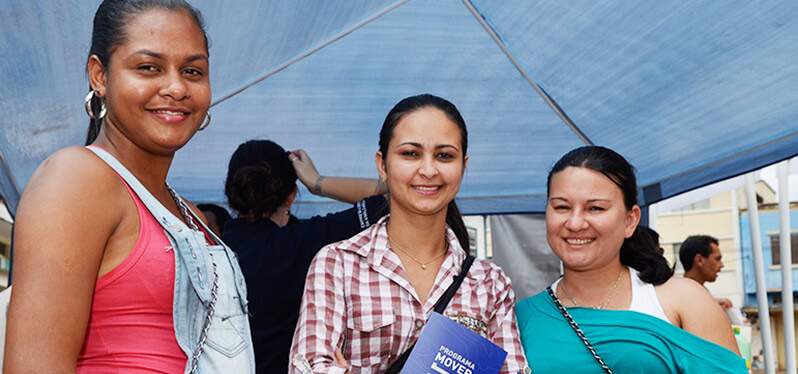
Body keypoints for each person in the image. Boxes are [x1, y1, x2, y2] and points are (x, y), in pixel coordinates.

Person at [4, 1, 255, 372]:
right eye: (148, 67)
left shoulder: (190, 214)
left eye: (192, 71)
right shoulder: (76, 179)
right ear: (99, 76)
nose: (175, 87)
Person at [289, 94, 529, 373]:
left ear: (464, 166)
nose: (428, 170)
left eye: (444, 156)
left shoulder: (489, 282)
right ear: (382, 165)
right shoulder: (338, 264)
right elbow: (307, 367)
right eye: (411, 154)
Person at [515, 146, 745, 373]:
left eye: (595, 208)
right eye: (562, 207)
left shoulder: (684, 300)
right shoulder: (522, 318)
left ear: (630, 220)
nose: (575, 223)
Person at [222, 139, 389, 373]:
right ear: (291, 196)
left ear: (231, 192)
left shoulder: (213, 243)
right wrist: (316, 182)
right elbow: (394, 196)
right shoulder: (306, 241)